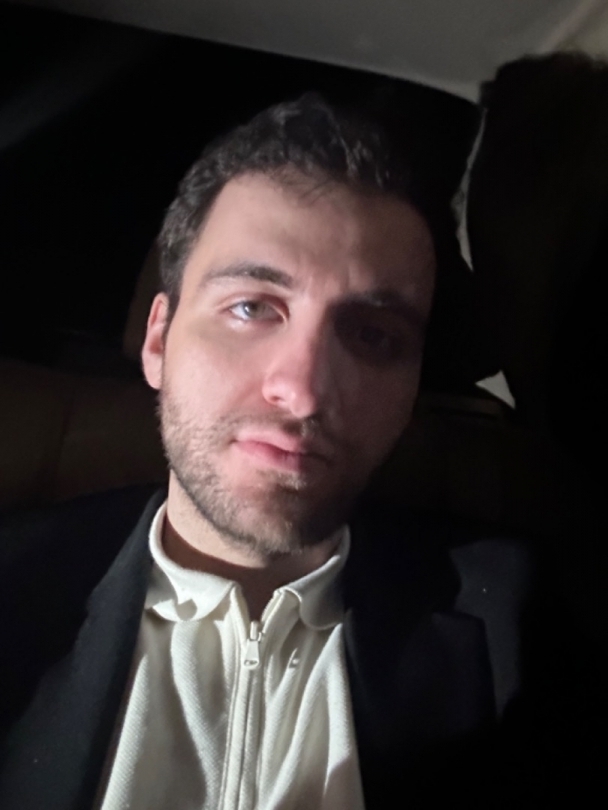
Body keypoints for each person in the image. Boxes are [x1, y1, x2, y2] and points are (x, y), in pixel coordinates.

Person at [0, 94, 526, 809]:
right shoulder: (12, 590)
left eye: (373, 336)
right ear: (158, 341)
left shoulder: (518, 624)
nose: (304, 393)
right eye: (251, 307)